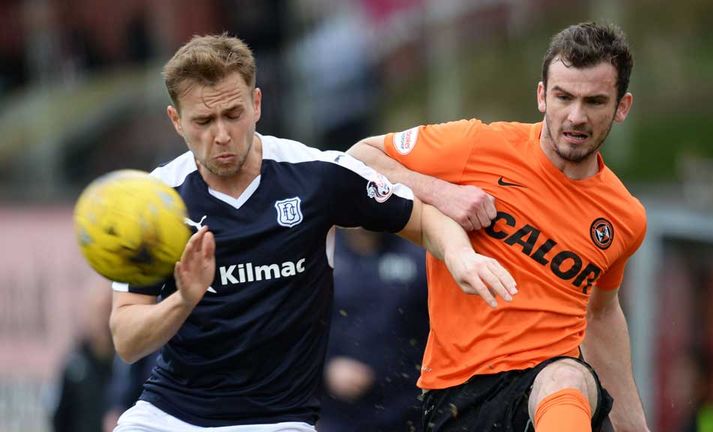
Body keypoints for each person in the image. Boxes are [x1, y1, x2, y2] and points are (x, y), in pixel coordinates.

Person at [109, 33, 516, 432]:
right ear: (176, 120)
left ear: (256, 104)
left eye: (233, 114)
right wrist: (184, 299)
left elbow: (423, 217)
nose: (220, 134)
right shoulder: (154, 204)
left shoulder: (317, 175)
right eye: (203, 120)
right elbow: (127, 340)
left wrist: (461, 255)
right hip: (170, 414)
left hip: (278, 419)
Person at [348, 22, 649, 432]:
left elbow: (602, 315)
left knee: (565, 377)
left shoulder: (623, 217)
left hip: (550, 392)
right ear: (542, 95)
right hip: (458, 394)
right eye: (564, 97)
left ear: (622, 107)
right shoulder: (476, 146)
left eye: (595, 101)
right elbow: (356, 160)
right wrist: (441, 191)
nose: (576, 117)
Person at [320, 229, 428, 431]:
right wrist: (325, 368)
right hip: (336, 413)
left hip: (407, 406)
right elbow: (292, 329)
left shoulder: (418, 255)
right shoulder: (318, 256)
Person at [49, 283, 114, 432]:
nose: (104, 319)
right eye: (99, 312)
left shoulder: (129, 363)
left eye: (108, 310)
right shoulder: (74, 366)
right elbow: (59, 416)